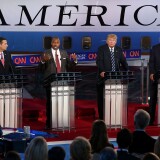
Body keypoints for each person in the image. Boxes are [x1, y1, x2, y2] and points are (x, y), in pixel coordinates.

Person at [40, 37, 77, 128]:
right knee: (50, 103)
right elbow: (41, 69)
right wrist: (43, 61)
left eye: (57, 42)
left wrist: (74, 60)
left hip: (62, 82)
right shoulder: (46, 53)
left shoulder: (64, 53)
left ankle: (62, 122)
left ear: (59, 44)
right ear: (51, 44)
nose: (55, 44)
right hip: (50, 81)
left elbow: (68, 67)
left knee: (62, 101)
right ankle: (49, 124)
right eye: (54, 42)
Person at [96, 34, 128, 119]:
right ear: (107, 41)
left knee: (115, 98)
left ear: (116, 42)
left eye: (113, 40)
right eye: (110, 40)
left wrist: (127, 70)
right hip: (103, 78)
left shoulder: (118, 50)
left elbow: (123, 61)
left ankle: (114, 115)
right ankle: (102, 117)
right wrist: (102, 71)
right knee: (102, 99)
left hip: (116, 78)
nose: (111, 42)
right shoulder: (101, 49)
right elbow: (99, 61)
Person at [149, 43, 160, 125]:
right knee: (153, 99)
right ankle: (151, 120)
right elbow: (151, 62)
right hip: (155, 77)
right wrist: (152, 73)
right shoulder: (155, 48)